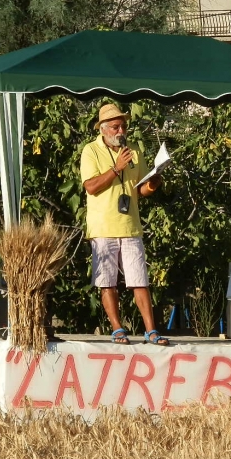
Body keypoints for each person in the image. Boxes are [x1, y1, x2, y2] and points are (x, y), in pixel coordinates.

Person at [80, 103, 169, 346]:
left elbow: (139, 190)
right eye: (116, 127)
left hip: (130, 226)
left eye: (123, 126)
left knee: (139, 279)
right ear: (103, 129)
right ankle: (117, 329)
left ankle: (151, 330)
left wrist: (154, 183)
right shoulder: (91, 151)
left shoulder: (134, 152)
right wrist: (115, 168)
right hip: (103, 227)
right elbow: (90, 186)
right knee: (107, 281)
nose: (121, 131)